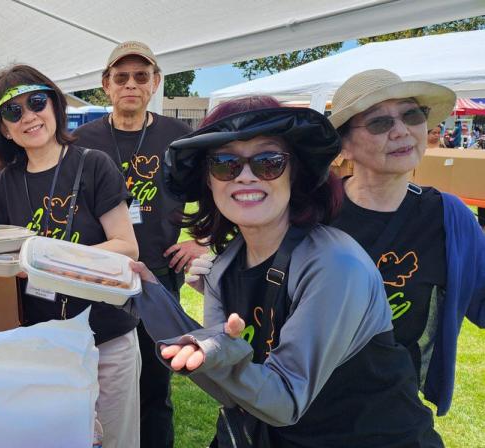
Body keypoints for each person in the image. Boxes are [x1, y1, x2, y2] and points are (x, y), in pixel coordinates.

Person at [131, 96, 442, 446]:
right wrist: (147, 296)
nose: (246, 176)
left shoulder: (335, 264)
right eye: (225, 164)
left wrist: (221, 352)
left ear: (296, 172)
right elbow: (232, 389)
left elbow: (283, 400)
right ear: (209, 181)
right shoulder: (224, 268)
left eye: (268, 162)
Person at [0, 64, 140, 448]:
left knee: (115, 440)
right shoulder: (5, 184)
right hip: (43, 341)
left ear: (53, 104)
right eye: (13, 112)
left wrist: (41, 258)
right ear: (3, 129)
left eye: (36, 102)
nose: (28, 117)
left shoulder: (93, 164)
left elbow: (125, 245)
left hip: (107, 335)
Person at [328, 69, 485, 417]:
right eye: (379, 123)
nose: (401, 131)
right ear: (345, 144)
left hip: (395, 409)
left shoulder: (449, 216)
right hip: (307, 407)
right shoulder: (315, 211)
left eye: (411, 115)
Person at [72, 40, 205, 448]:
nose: (131, 84)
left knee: (154, 381)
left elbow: (219, 191)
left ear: (155, 83)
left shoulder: (179, 137)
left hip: (159, 277)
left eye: (141, 76)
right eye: (121, 77)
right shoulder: (81, 140)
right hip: (100, 275)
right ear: (106, 85)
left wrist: (203, 241)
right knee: (95, 376)